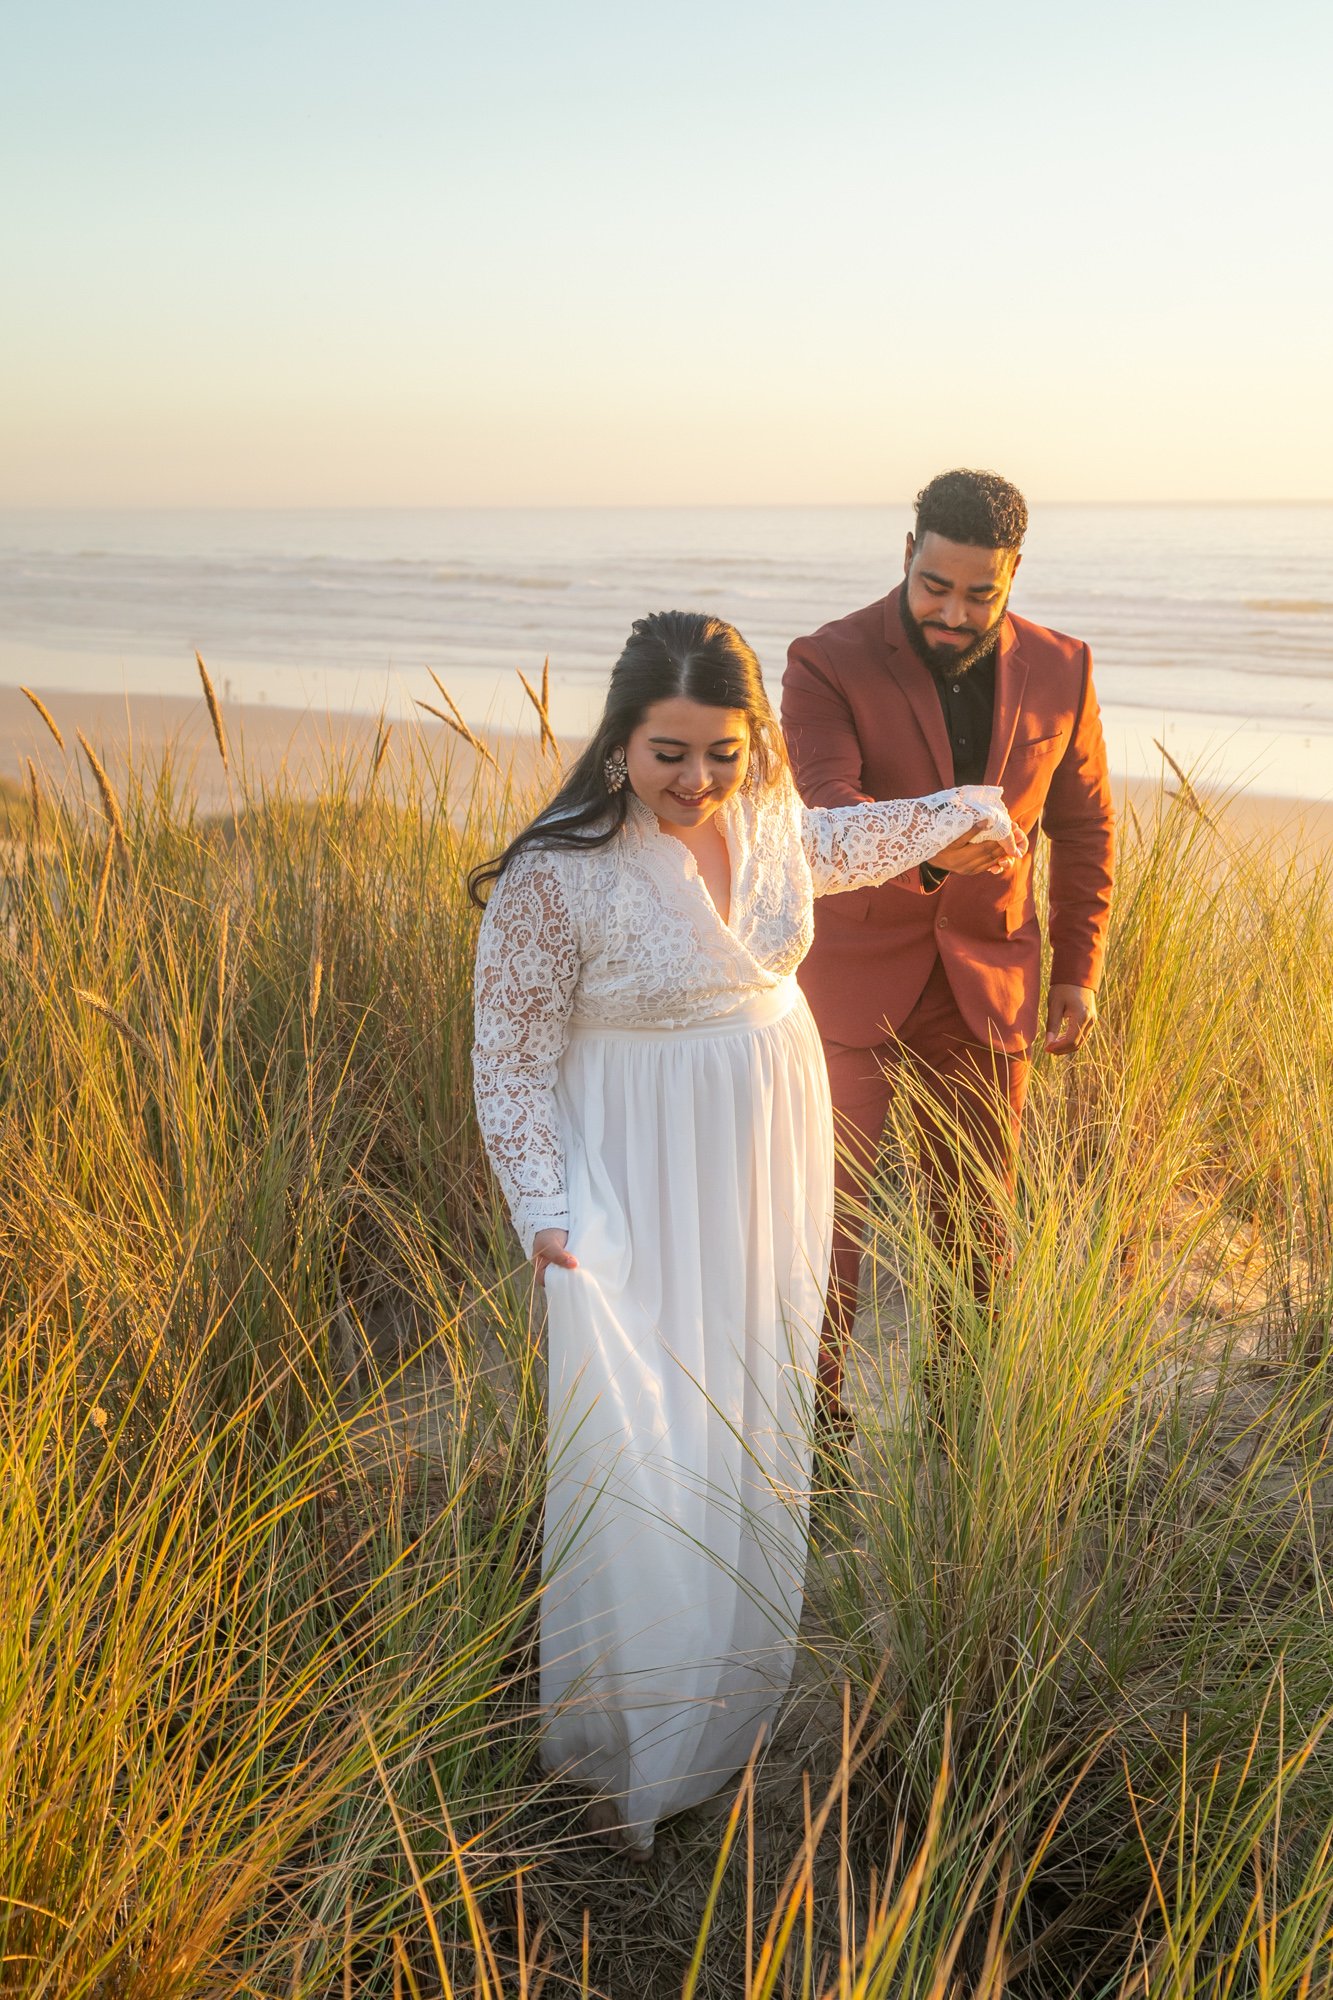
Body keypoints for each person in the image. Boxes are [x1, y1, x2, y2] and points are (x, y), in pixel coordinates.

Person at [469, 610, 1018, 1855]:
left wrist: (956, 807)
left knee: (749, 1393)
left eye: (724, 751)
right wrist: (544, 1212)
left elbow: (837, 840)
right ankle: (629, 1734)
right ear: (618, 738)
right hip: (628, 1162)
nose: (698, 780)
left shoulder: (767, 819)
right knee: (640, 1419)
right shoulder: (559, 873)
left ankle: (729, 1688)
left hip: (766, 1150)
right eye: (669, 752)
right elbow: (505, 1059)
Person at [782, 469, 1116, 1409]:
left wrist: (1077, 971)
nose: (954, 611)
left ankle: (955, 1417)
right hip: (847, 983)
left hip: (988, 980)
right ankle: (814, 1426)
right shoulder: (826, 659)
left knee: (977, 1228)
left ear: (1012, 574)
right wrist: (933, 858)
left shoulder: (1064, 666)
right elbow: (828, 811)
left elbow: (1084, 829)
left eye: (981, 592)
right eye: (935, 585)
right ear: (906, 555)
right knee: (822, 1223)